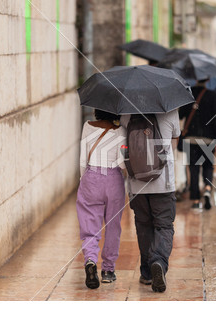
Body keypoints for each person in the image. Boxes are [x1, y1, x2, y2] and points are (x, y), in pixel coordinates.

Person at [120, 110, 180, 293]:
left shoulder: (126, 114)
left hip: (137, 184)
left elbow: (123, 147)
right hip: (163, 183)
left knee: (143, 226)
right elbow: (175, 140)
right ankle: (158, 261)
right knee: (164, 226)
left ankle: (147, 273)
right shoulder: (170, 112)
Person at [76, 109, 127, 289]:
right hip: (113, 180)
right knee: (113, 226)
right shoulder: (120, 130)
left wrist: (85, 180)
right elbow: (121, 162)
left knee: (90, 226)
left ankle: (90, 260)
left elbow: (83, 161)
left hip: (91, 177)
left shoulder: (87, 126)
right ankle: (107, 271)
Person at [179, 79, 216, 210]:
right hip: (208, 138)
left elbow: (181, 115)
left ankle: (196, 200)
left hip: (191, 138)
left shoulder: (188, 94)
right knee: (208, 166)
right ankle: (208, 189)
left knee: (193, 169)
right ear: (208, 80)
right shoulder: (212, 95)